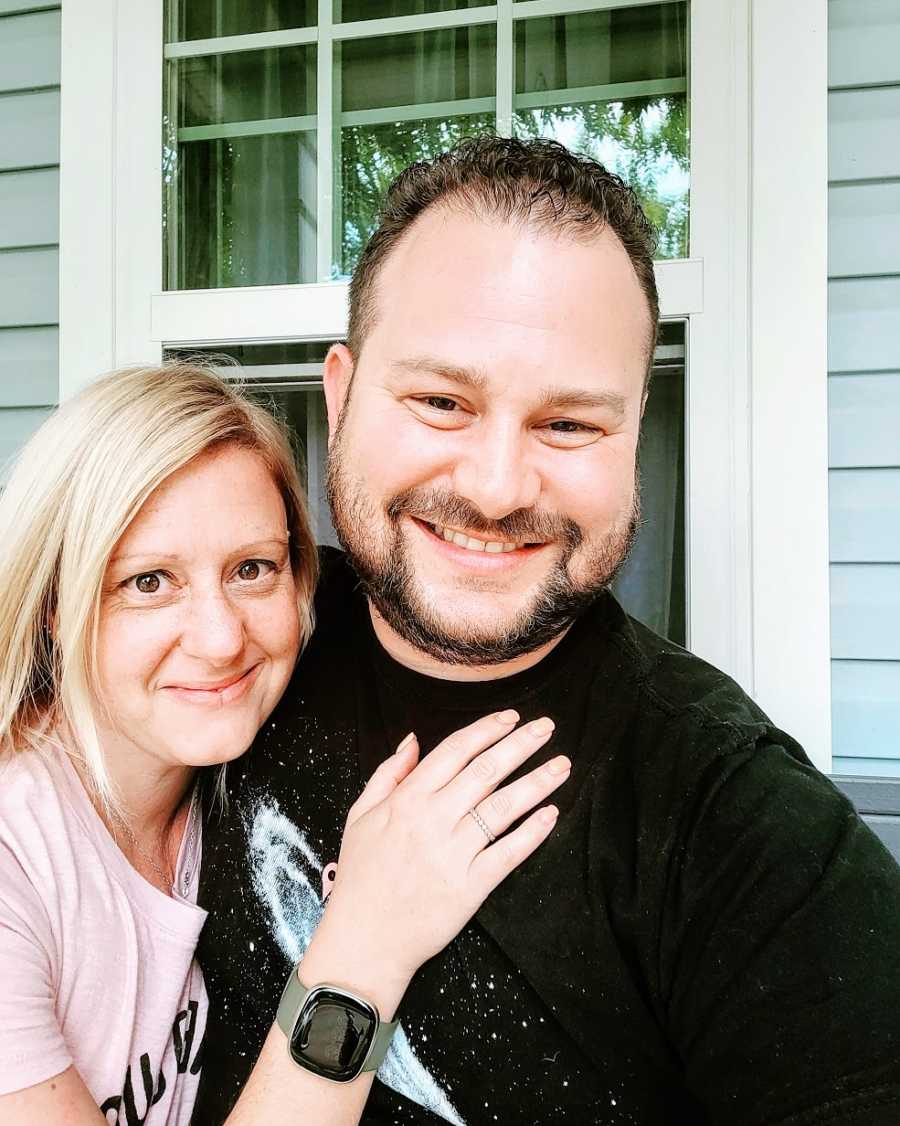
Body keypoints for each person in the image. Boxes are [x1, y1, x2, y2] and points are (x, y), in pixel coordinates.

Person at [193, 136, 900, 1126]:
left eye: (568, 424)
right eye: (441, 401)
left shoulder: (736, 822)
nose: (493, 486)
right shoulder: (226, 651)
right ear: (342, 394)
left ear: (636, 429)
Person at [0, 364, 569, 1124]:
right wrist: (364, 949)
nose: (220, 638)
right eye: (148, 582)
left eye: (252, 569)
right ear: (51, 605)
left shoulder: (213, 773)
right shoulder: (17, 865)